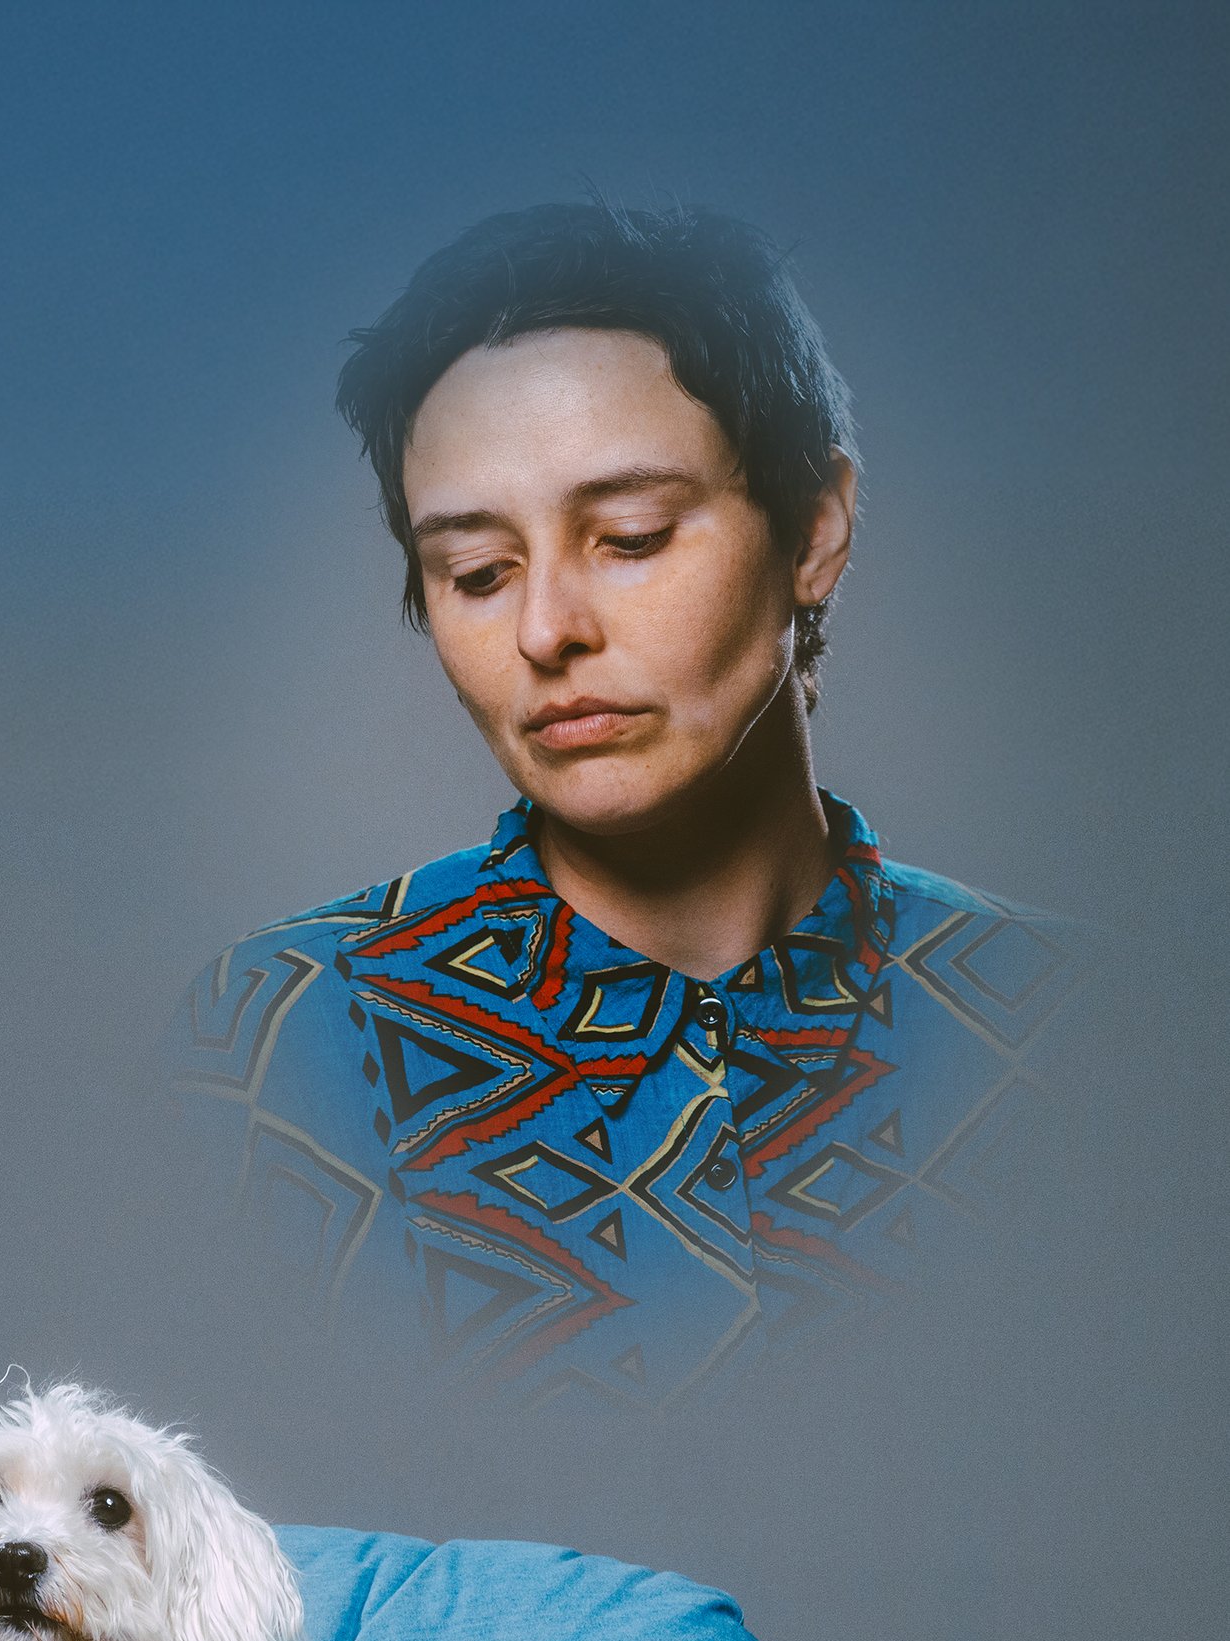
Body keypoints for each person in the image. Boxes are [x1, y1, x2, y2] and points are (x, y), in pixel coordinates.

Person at [172, 203, 1074, 1405]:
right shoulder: (268, 1046)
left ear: (814, 530)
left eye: (630, 538)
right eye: (477, 573)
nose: (546, 630)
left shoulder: (1075, 1030)